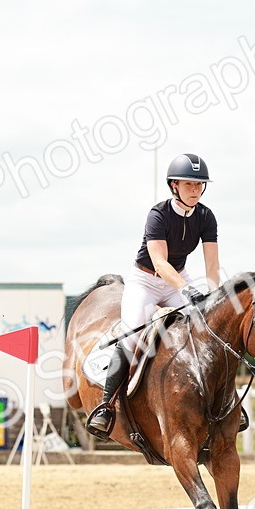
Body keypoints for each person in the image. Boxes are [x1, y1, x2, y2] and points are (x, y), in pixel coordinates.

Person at [86, 153, 220, 438]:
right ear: (174, 186)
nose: (195, 190)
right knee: (133, 336)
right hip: (146, 281)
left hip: (178, 280)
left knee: (208, 328)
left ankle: (222, 401)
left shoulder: (206, 217)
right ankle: (106, 405)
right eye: (189, 184)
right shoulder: (158, 215)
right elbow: (160, 263)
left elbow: (212, 266)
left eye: (199, 185)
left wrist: (214, 295)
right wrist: (186, 289)